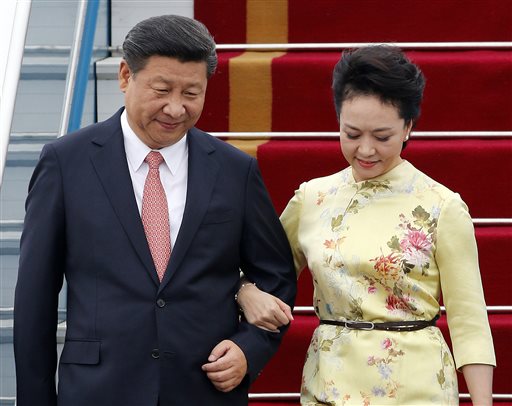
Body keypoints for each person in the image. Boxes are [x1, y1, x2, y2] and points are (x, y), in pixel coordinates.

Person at [13, 14, 296, 406]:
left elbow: (277, 275)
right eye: (162, 90)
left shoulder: (234, 170)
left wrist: (250, 348)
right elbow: (34, 299)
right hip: (99, 391)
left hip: (203, 391)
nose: (176, 109)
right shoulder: (66, 162)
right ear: (126, 76)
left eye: (192, 93)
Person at [236, 45, 495, 405]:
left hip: (417, 389)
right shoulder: (313, 198)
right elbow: (262, 271)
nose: (366, 150)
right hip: (328, 384)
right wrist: (244, 290)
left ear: (408, 127)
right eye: (352, 134)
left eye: (382, 136)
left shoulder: (441, 205)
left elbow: (470, 321)